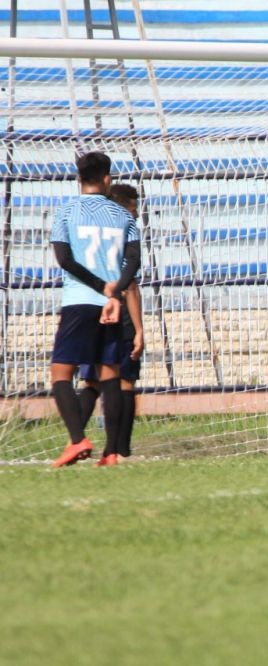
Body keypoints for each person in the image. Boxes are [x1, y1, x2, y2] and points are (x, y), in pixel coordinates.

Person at [49, 151, 141, 467]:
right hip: (111, 304)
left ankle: (77, 440)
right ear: (106, 179)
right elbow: (134, 261)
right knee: (109, 374)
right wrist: (113, 290)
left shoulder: (66, 212)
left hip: (79, 302)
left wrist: (99, 286)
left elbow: (65, 260)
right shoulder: (123, 216)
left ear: (79, 178)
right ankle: (111, 453)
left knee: (61, 373)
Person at [78, 184, 145, 460]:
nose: (136, 214)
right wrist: (140, 330)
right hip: (119, 315)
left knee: (92, 382)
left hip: (89, 310)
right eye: (132, 208)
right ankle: (118, 450)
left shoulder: (90, 231)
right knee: (124, 381)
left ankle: (75, 439)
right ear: (121, 207)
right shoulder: (123, 234)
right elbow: (129, 287)